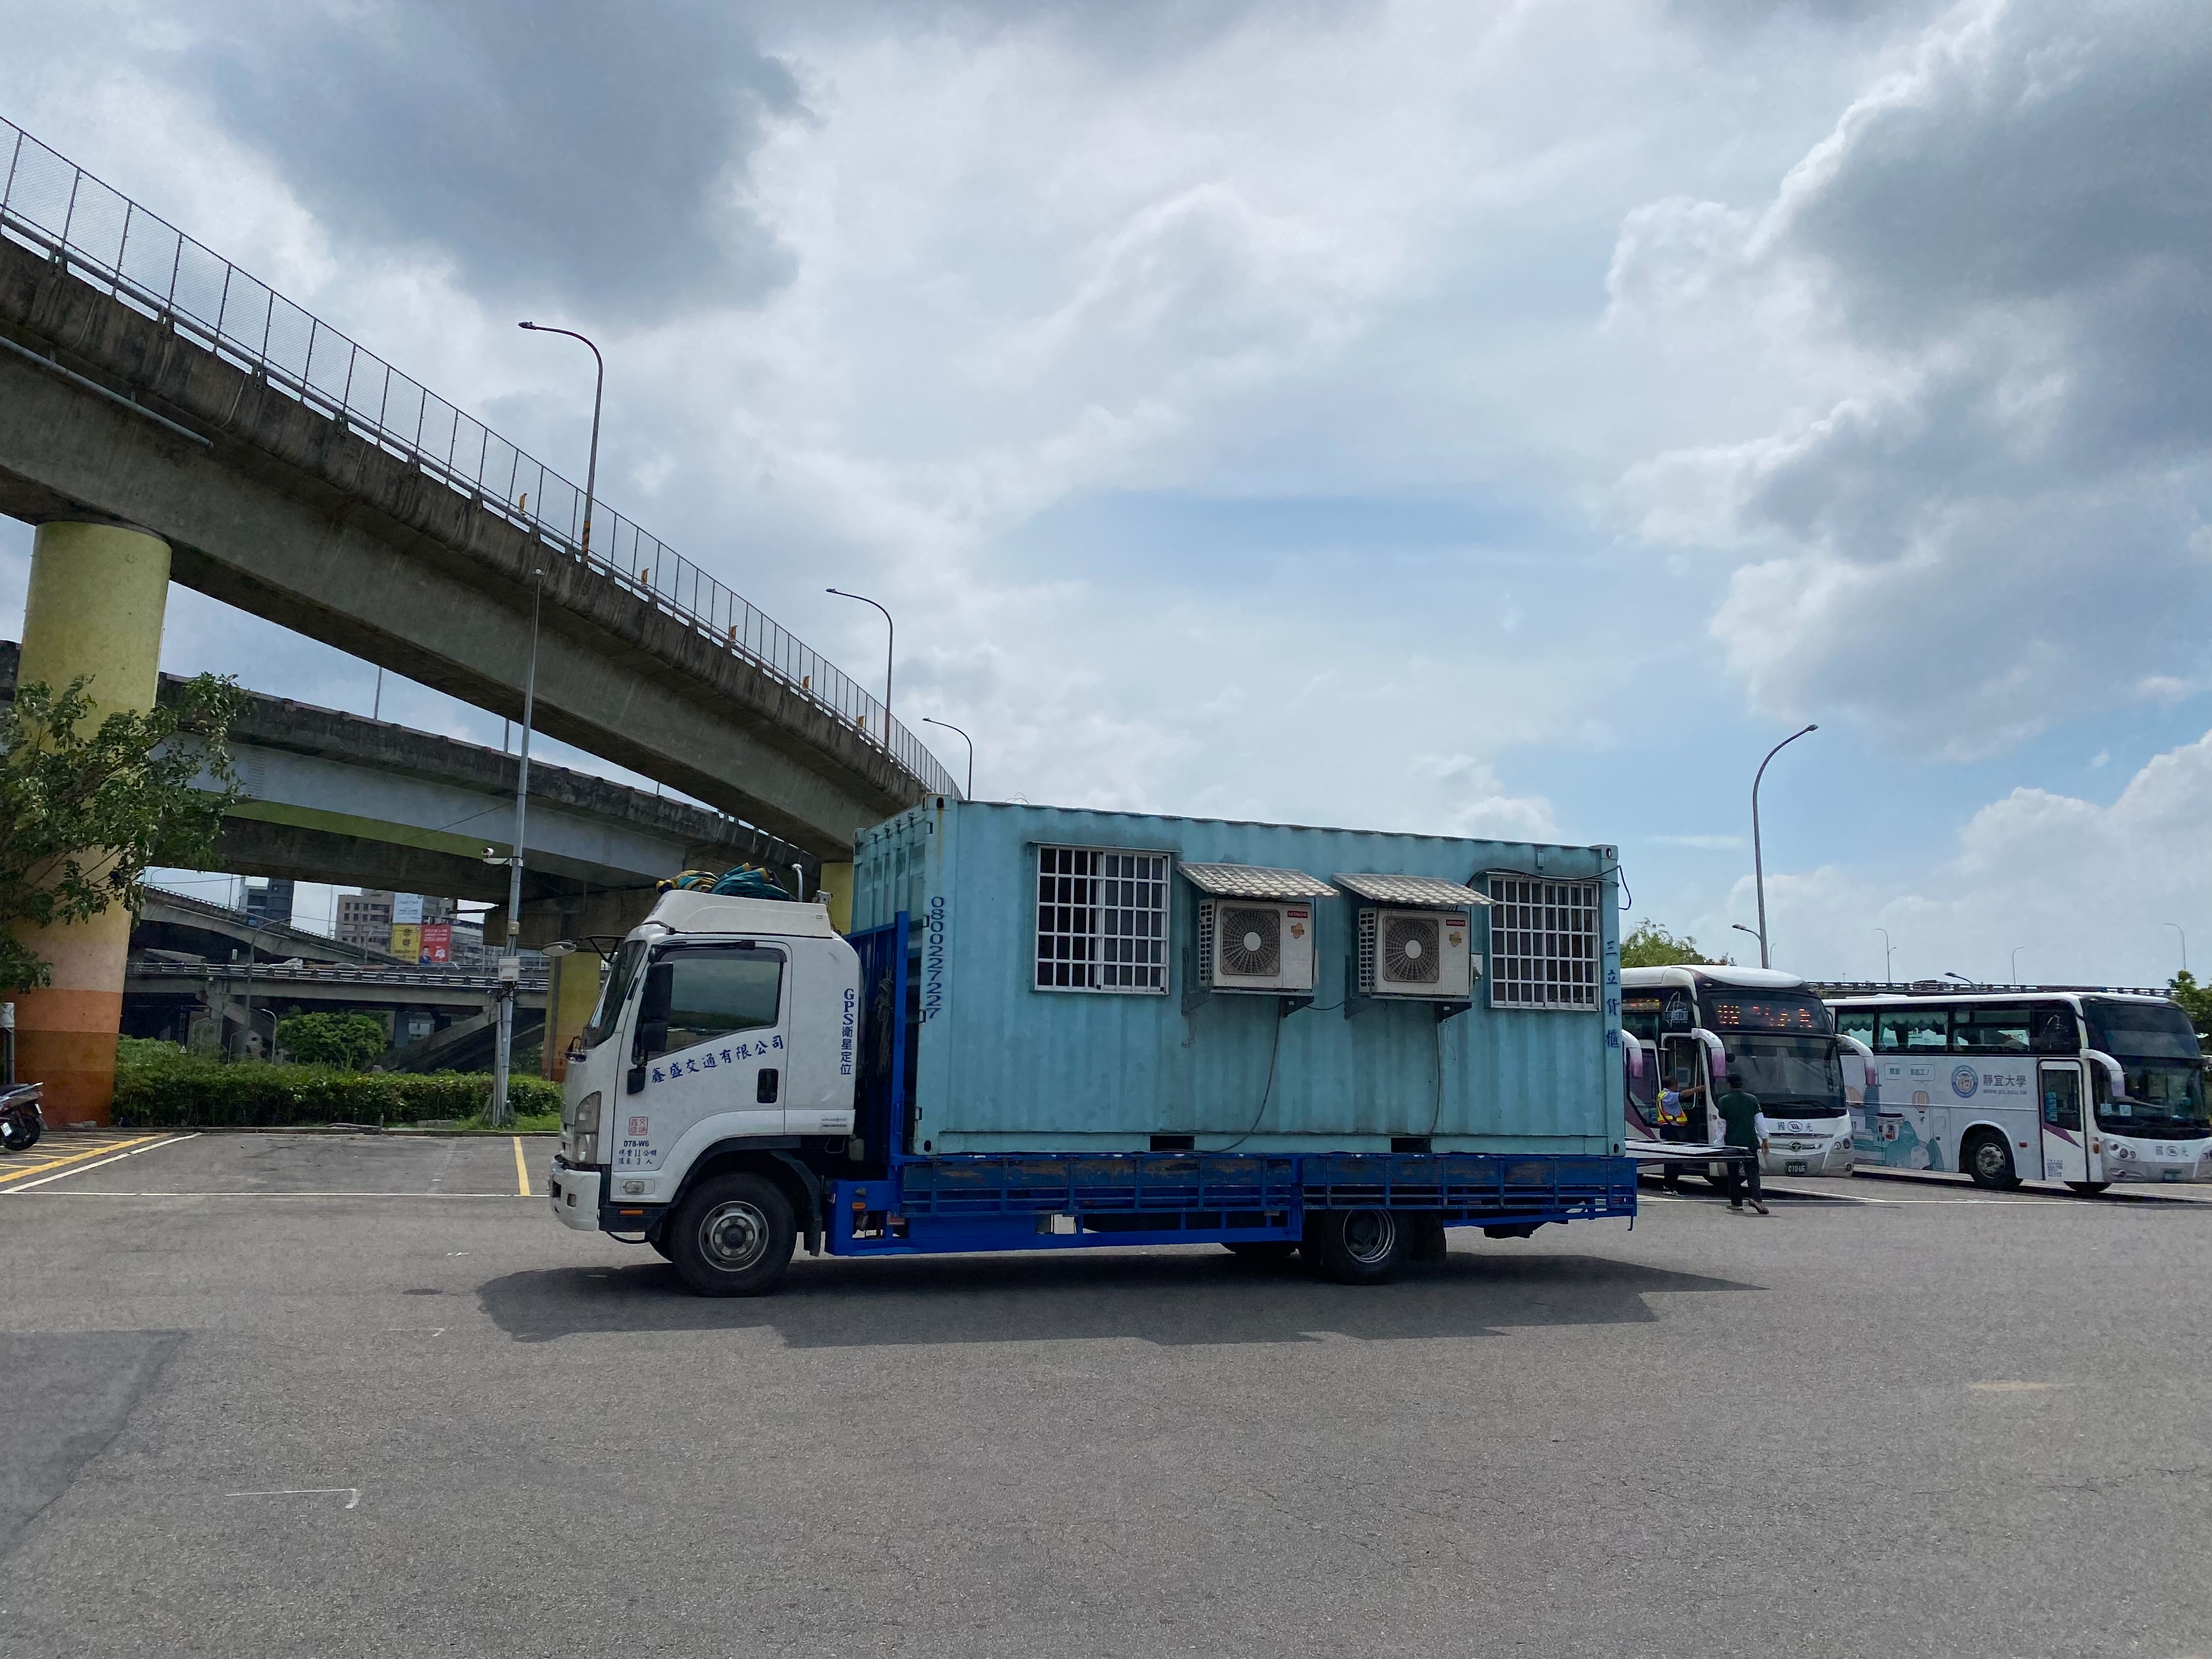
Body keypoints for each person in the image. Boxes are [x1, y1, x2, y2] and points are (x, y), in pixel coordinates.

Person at [1714, 1070, 1770, 1215]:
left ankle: (1736, 1202)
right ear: (1741, 1084)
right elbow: (1760, 1122)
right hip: (1750, 1142)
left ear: (1729, 1085)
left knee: (1733, 1174)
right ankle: (1757, 1199)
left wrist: (1718, 1145)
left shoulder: (1724, 1101)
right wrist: (1765, 1139)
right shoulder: (1752, 1100)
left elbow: (1721, 1126)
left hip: (1732, 1144)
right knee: (1753, 1173)